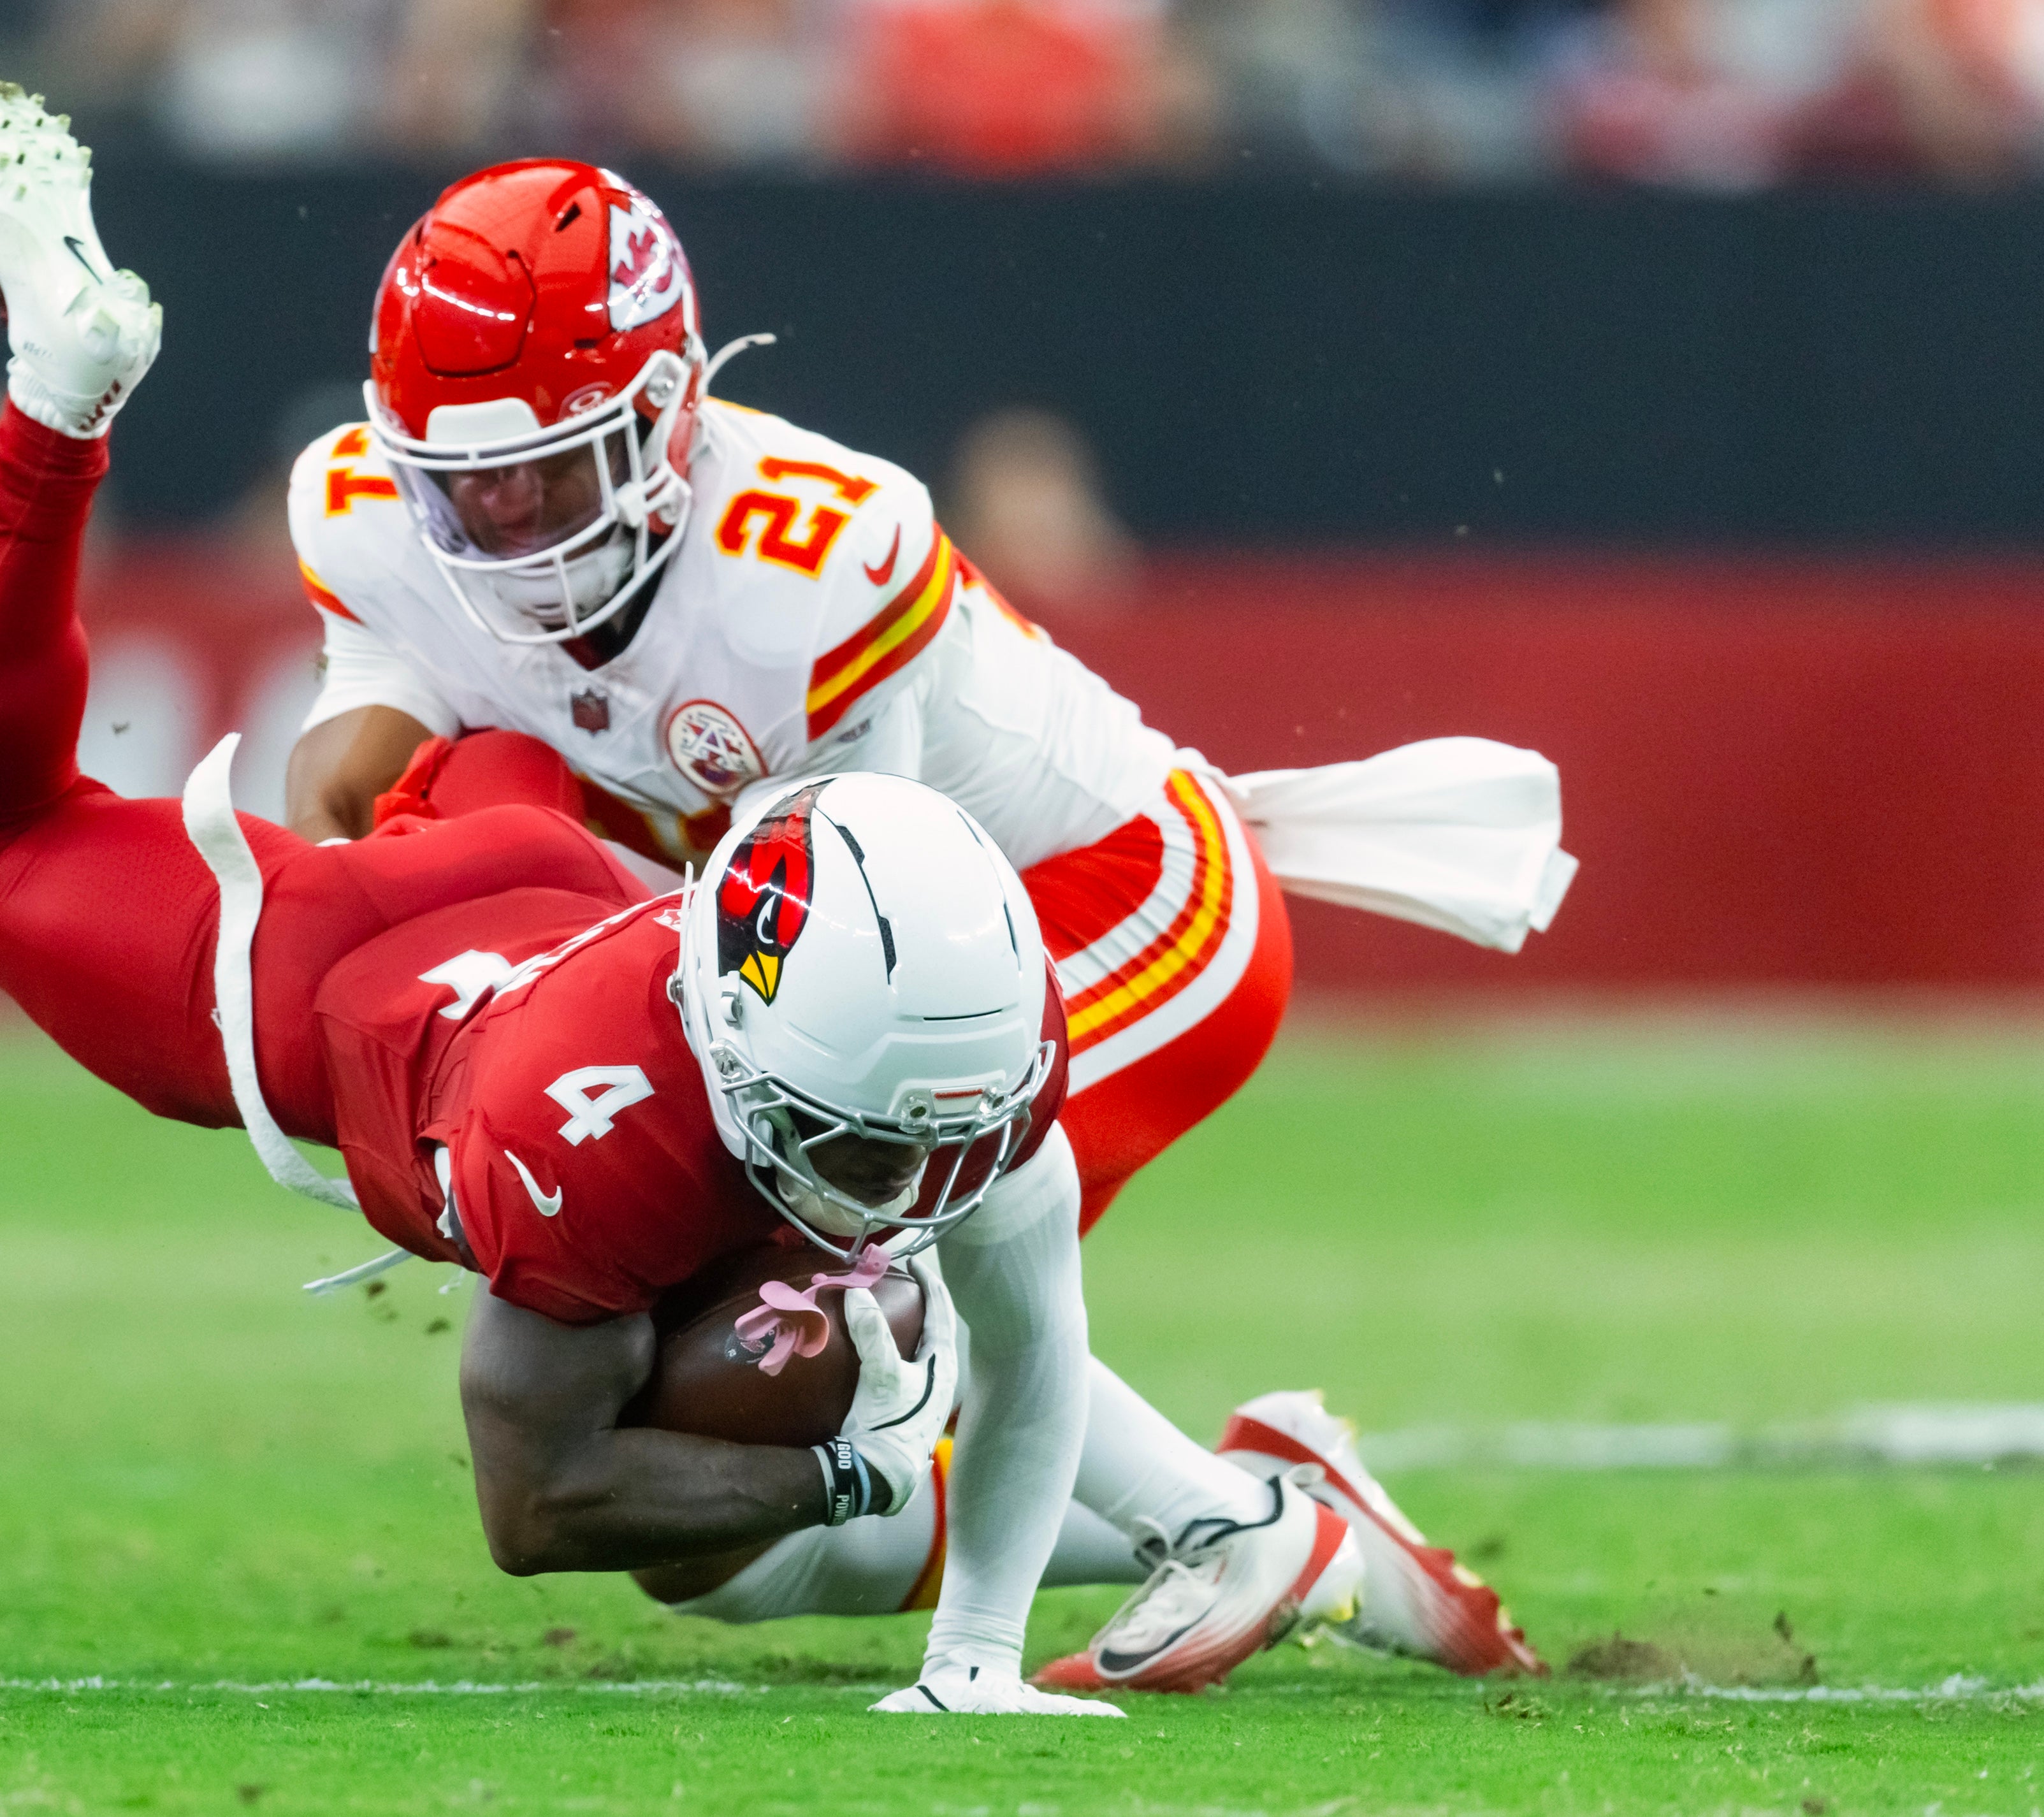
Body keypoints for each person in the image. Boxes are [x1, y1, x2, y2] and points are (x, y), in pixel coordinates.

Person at [278, 159, 1569, 1687]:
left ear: (667, 410)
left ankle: (1233, 1526)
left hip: (1104, 903)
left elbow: (874, 911)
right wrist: (338, 849)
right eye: (463, 481)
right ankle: (1282, 1517)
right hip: (849, 946)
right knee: (712, 1541)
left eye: (551, 471)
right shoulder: (361, 512)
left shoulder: (808, 563)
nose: (502, 520)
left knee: (905, 1280)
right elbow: (369, 720)